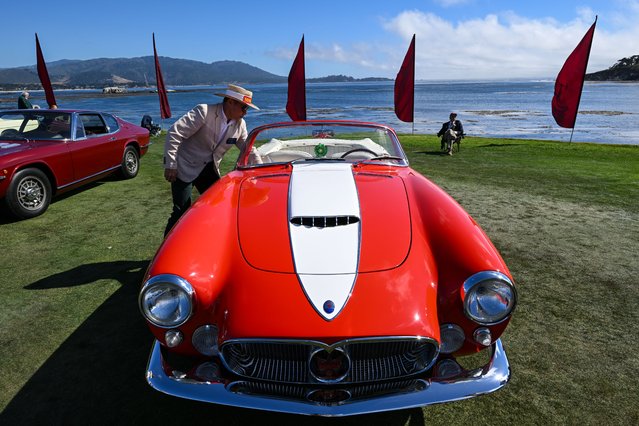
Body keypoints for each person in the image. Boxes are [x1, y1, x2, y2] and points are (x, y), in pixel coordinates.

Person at [163, 84, 259, 236]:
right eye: (244, 107)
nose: (245, 112)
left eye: (246, 109)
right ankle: (166, 253)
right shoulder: (204, 111)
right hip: (184, 166)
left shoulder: (240, 125)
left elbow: (247, 148)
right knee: (181, 211)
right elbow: (174, 133)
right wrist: (171, 164)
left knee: (218, 205)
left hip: (210, 169)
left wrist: (260, 167)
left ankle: (208, 240)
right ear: (230, 102)